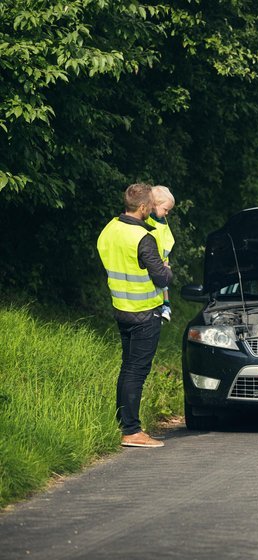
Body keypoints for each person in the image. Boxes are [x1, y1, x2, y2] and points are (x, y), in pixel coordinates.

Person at [96, 183, 173, 448]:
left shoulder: (109, 229)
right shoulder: (143, 238)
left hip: (121, 308)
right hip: (144, 313)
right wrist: (166, 269)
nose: (153, 208)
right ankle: (131, 431)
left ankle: (126, 426)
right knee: (136, 372)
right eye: (150, 205)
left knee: (127, 369)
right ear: (142, 207)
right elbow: (162, 277)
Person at [146, 185, 175, 322]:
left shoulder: (162, 221)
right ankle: (164, 306)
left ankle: (166, 305)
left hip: (163, 260)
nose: (167, 213)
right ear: (154, 204)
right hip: (153, 262)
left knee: (163, 283)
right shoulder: (148, 221)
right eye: (165, 209)